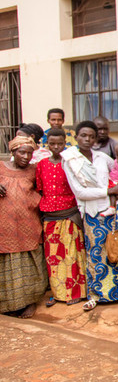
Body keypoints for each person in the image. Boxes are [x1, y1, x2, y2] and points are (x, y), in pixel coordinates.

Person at [62, 120, 118, 311]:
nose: (87, 139)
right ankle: (97, 294)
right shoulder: (70, 160)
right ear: (76, 137)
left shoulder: (102, 157)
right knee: (97, 253)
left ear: (96, 139)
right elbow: (79, 192)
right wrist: (110, 191)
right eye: (83, 136)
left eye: (91, 136)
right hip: (93, 213)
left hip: (116, 210)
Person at [35, 128, 87, 307]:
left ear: (65, 143)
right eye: (52, 144)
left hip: (70, 215)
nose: (56, 147)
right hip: (50, 218)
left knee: (72, 256)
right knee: (54, 257)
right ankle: (58, 293)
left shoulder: (71, 162)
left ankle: (76, 293)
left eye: (60, 143)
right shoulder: (41, 165)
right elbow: (40, 189)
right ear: (46, 144)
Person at [0, 136, 47, 318]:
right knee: (6, 266)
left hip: (28, 225)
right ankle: (8, 306)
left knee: (30, 264)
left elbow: (43, 191)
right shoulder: (1, 167)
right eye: (22, 152)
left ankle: (29, 303)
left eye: (29, 153)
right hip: (5, 228)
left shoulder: (34, 171)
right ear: (13, 152)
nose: (26, 156)